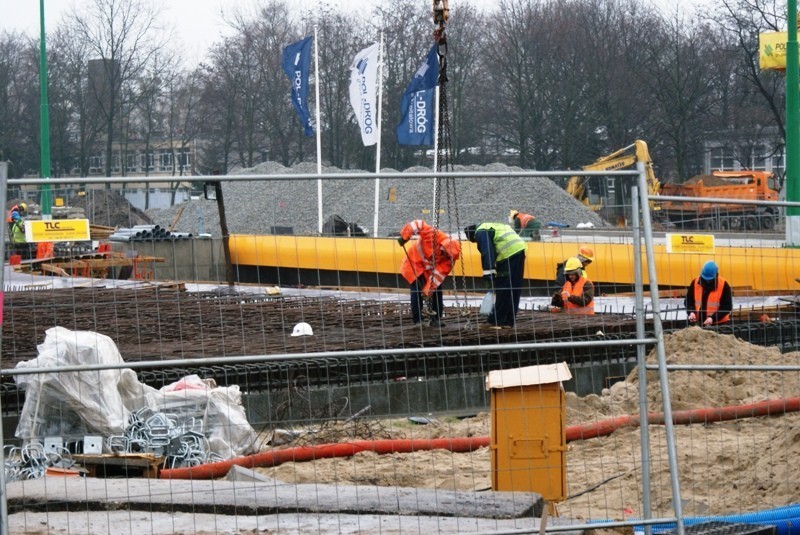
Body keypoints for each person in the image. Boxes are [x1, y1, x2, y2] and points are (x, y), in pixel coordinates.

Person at [397, 220, 461, 327]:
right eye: (444, 252)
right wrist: (405, 236)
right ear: (443, 245)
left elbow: (438, 276)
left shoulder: (449, 260)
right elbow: (418, 224)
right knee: (417, 291)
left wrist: (428, 290)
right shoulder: (433, 234)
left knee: (437, 290)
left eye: (447, 255)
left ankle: (436, 319)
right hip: (414, 263)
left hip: (428, 270)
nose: (444, 256)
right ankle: (418, 320)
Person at [464, 222, 527, 327]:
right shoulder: (490, 226)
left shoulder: (480, 232)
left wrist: (489, 275)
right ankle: (509, 321)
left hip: (508, 254)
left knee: (503, 287)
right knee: (514, 287)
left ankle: (496, 321)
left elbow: (487, 252)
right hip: (520, 249)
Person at [685, 260, 732, 326]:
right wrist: (691, 312)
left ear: (715, 275)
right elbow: (688, 300)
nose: (707, 281)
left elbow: (727, 307)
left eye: (709, 279)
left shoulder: (724, 285)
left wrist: (713, 318)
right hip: (699, 323)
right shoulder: (695, 282)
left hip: (719, 324)